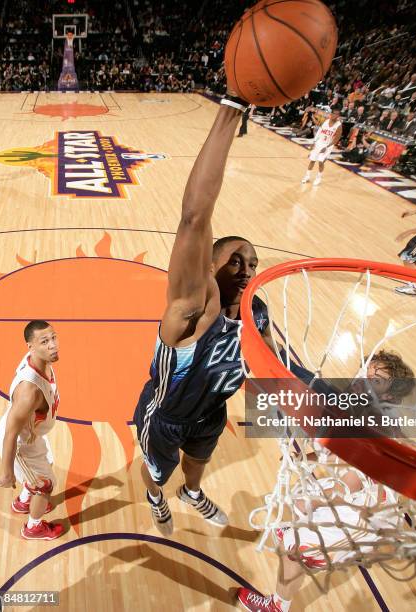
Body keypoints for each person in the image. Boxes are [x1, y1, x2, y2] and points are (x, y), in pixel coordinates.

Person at [133, 91, 271, 535]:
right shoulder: (193, 309)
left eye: (252, 262)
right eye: (235, 259)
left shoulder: (258, 311)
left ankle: (191, 492)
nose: (247, 268)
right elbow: (194, 216)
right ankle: (156, 496)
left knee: (199, 461)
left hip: (210, 411)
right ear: (210, 267)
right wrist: (232, 109)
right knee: (157, 472)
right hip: (166, 414)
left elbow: (270, 367)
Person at [237, 351, 415, 612]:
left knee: (294, 549)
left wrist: (309, 503)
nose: (364, 380)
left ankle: (277, 607)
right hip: (359, 493)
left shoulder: (374, 426)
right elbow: (336, 452)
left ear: (389, 395)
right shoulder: (353, 406)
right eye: (366, 372)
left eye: (375, 381)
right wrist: (304, 456)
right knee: (298, 515)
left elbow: (349, 485)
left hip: (362, 509)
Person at [0, 320, 62, 540]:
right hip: (18, 446)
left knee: (47, 462)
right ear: (31, 347)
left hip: (29, 435)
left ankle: (24, 500)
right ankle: (33, 528)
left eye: (53, 337)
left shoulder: (37, 360)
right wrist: (6, 472)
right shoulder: (30, 391)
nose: (53, 345)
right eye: (45, 341)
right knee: (46, 484)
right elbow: (11, 434)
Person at [301, 109, 342, 186]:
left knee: (320, 161)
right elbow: (319, 131)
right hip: (319, 143)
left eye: (336, 114)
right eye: (333, 113)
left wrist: (327, 147)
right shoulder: (326, 121)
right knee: (312, 160)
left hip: (328, 145)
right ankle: (307, 176)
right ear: (331, 113)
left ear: (338, 116)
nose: (334, 115)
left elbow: (336, 139)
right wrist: (314, 142)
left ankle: (318, 178)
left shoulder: (339, 126)